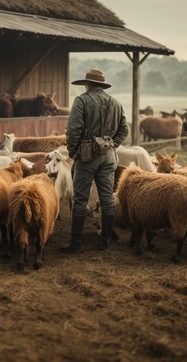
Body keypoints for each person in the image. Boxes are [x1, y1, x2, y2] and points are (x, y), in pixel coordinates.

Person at [61, 68, 129, 253]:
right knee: (107, 199)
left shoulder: (82, 100)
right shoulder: (116, 103)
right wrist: (110, 144)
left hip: (86, 156)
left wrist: (74, 152)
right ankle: (105, 241)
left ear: (88, 84)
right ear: (101, 84)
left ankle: (76, 244)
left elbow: (74, 130)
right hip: (108, 158)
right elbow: (124, 130)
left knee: (80, 199)